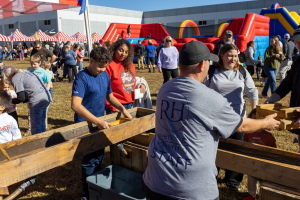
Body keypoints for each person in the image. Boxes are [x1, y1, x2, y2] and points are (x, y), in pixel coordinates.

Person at [142, 41, 280, 200]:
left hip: (155, 179)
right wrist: (266, 123)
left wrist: (217, 109)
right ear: (202, 65)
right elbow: (241, 126)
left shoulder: (165, 89)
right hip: (190, 190)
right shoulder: (210, 98)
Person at [71, 47, 132, 200]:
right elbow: (76, 105)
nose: (102, 69)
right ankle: (86, 194)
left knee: (98, 157)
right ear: (90, 60)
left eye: (105, 66)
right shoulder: (81, 77)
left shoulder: (105, 75)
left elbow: (110, 96)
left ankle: (95, 188)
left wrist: (122, 108)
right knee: (89, 161)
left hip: (100, 122)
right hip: (85, 124)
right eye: (99, 66)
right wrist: (98, 121)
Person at [205, 43, 258, 190]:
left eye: (235, 56)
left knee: (236, 151)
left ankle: (233, 181)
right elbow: (202, 91)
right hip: (215, 119)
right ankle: (211, 177)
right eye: (229, 55)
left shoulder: (242, 71)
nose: (233, 58)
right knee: (214, 149)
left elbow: (252, 91)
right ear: (221, 55)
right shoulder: (211, 71)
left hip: (237, 119)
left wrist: (254, 110)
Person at [265, 25, 300, 153]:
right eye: (296, 42)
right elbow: (287, 82)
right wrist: (274, 96)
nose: (298, 45)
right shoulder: (298, 60)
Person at [2, 66, 52, 135]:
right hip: (46, 97)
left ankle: (37, 143)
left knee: (35, 125)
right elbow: (26, 94)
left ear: (7, 75)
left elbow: (21, 98)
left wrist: (12, 101)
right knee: (41, 123)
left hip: (37, 101)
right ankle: (43, 140)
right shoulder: (26, 73)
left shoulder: (15, 78)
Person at [242, 109, 276, 200]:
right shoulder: (248, 134)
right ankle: (252, 195)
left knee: (264, 180)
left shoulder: (269, 136)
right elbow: (244, 145)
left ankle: (265, 195)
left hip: (265, 164)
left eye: (259, 120)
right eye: (254, 120)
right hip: (252, 162)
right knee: (251, 178)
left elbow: (274, 151)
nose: (257, 123)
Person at [105, 39, 143, 114]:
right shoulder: (109, 65)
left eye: (126, 52)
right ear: (115, 49)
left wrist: (140, 85)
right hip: (116, 106)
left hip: (130, 104)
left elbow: (133, 80)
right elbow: (104, 88)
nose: (123, 54)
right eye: (121, 50)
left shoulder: (130, 64)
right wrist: (111, 106)